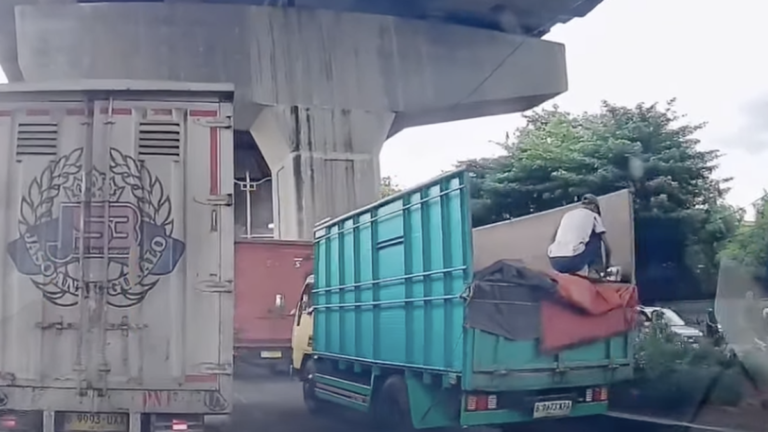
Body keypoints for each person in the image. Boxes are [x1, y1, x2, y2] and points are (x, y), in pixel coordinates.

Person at [547, 194, 612, 277]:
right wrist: (607, 265)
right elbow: (606, 247)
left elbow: (552, 239)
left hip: (554, 262)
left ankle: (568, 274)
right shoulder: (593, 215)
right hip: (572, 261)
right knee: (596, 237)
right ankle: (596, 272)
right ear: (594, 207)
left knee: (575, 239)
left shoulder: (567, 215)